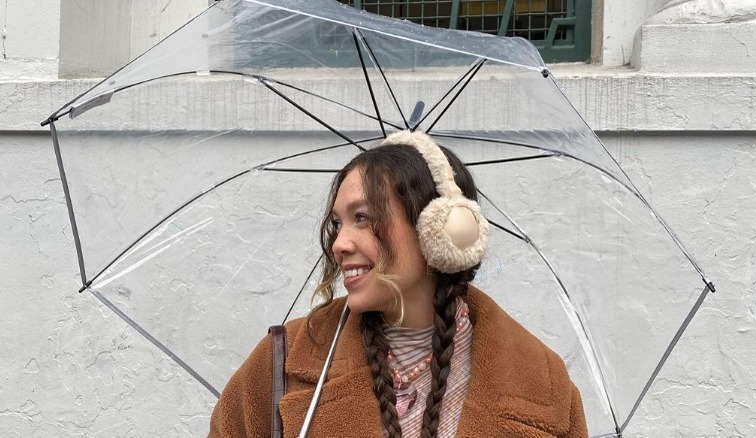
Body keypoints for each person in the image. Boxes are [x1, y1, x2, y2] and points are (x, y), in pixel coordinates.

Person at [209, 131, 588, 437]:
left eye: (362, 217)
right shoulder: (281, 363)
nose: (339, 244)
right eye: (338, 223)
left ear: (439, 232)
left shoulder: (543, 384)